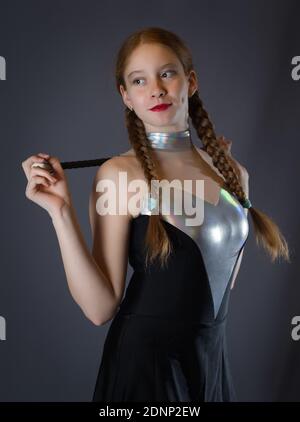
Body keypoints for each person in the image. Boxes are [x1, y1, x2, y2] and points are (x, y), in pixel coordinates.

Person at [21, 27, 290, 402]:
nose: (156, 89)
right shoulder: (118, 174)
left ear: (190, 81)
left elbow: (223, 281)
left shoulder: (233, 173)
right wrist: (60, 212)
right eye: (139, 80)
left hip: (211, 362)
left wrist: (224, 179)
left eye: (167, 73)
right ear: (126, 97)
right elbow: (100, 309)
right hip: (147, 369)